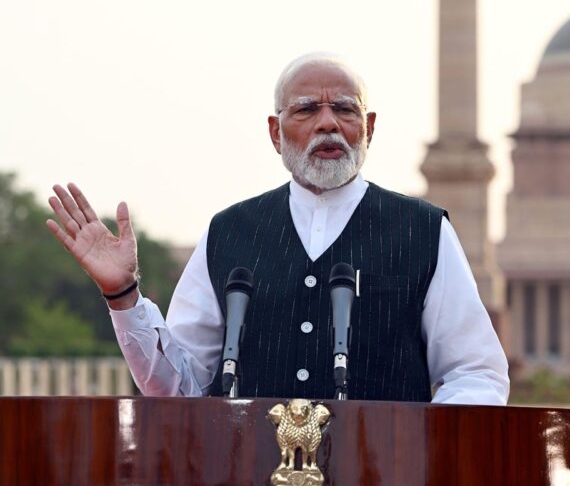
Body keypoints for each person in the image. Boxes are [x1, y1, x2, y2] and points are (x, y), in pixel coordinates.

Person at [47, 53, 510, 404]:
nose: (328, 123)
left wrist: (418, 449)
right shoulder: (230, 232)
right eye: (307, 109)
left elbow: (476, 373)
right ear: (275, 132)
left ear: (368, 127)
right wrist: (123, 294)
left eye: (344, 110)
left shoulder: (422, 232)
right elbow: (180, 388)